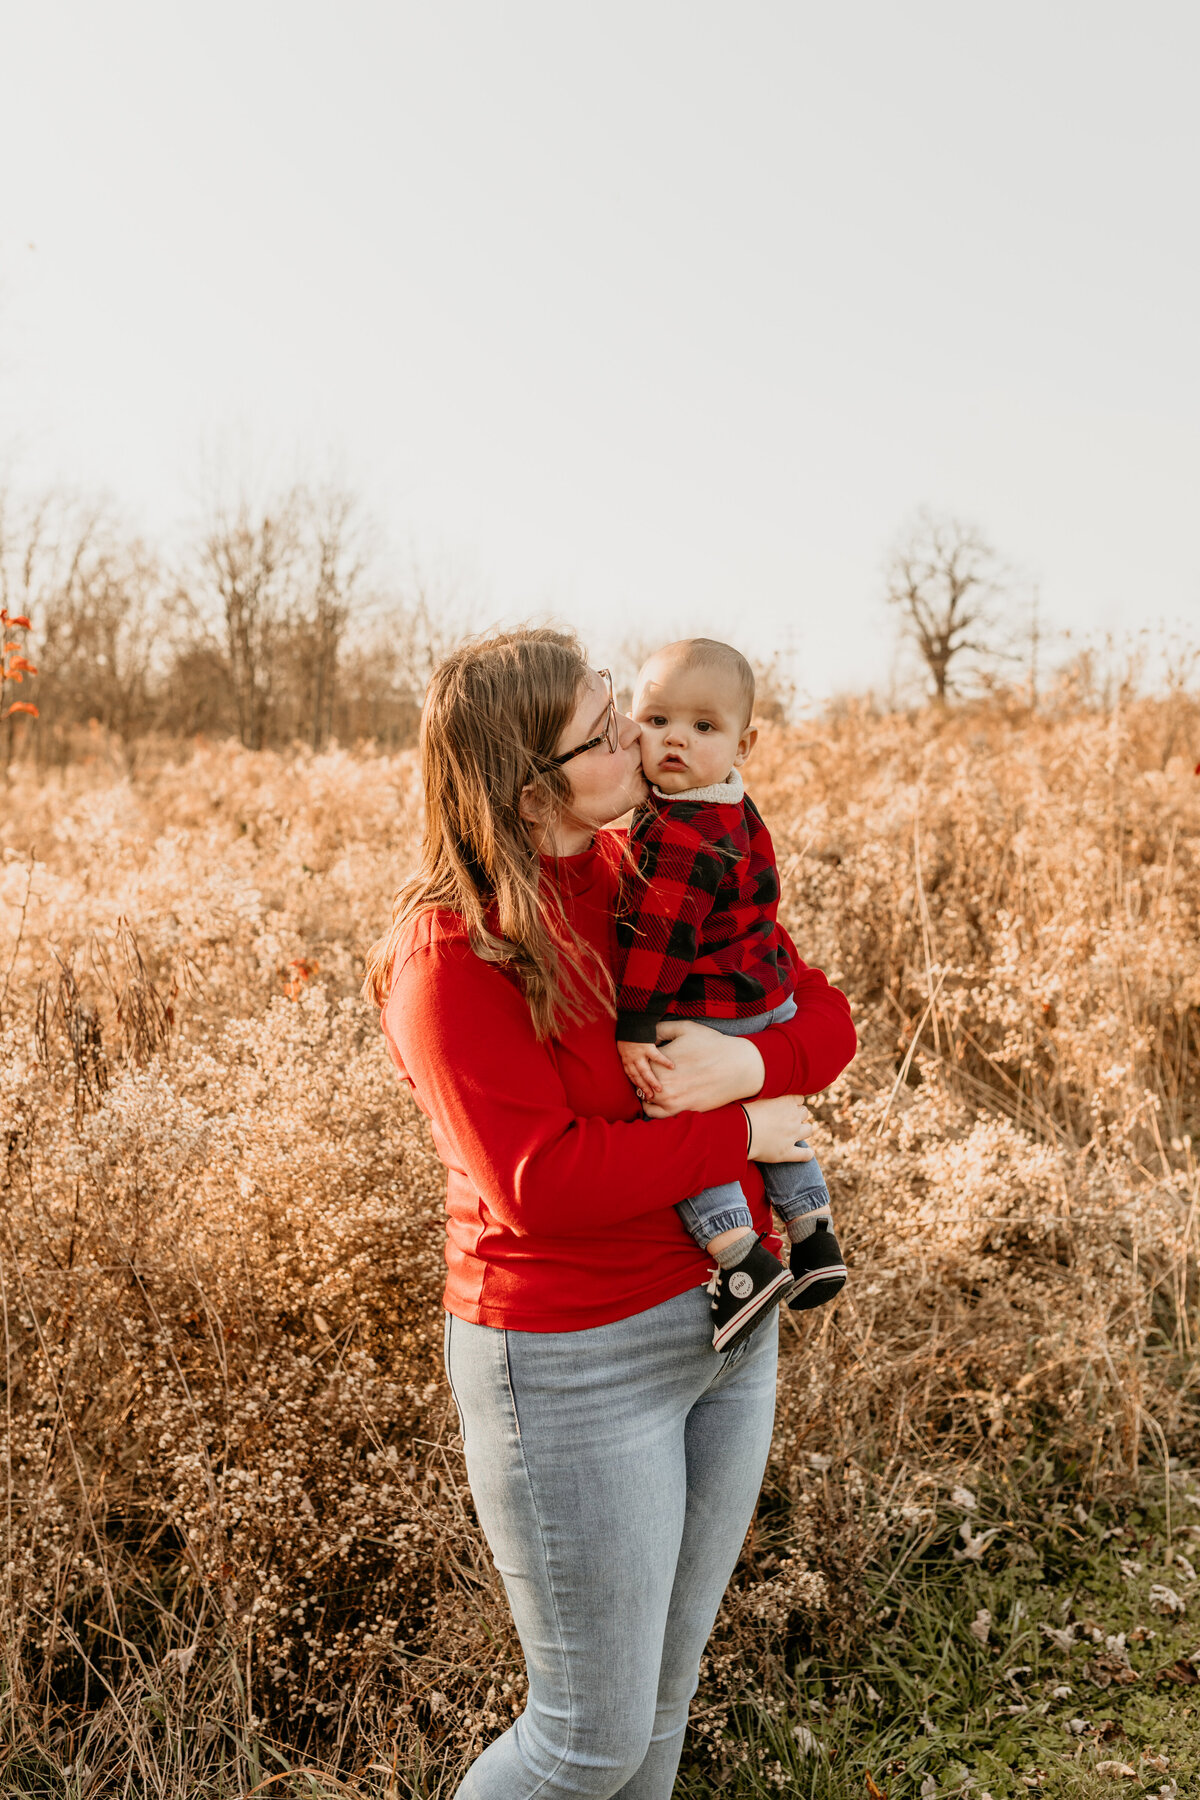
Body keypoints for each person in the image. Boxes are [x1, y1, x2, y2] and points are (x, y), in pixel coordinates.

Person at [365, 628, 856, 1799]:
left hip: (731, 1325)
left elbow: (823, 1018)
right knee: (584, 1739)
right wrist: (741, 1131)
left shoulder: (654, 865)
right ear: (536, 783)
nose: (644, 736)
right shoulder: (452, 952)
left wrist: (747, 1071)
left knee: (663, 1700)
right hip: (572, 1359)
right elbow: (541, 1182)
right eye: (609, 727)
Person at [615, 638, 848, 1354]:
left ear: (745, 740)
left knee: (672, 1101)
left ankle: (739, 1255)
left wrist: (637, 1026)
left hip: (708, 1004)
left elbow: (659, 939)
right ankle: (812, 1228)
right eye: (655, 721)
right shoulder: (734, 804)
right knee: (769, 1112)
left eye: (703, 728)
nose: (675, 739)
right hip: (768, 994)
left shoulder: (678, 831)